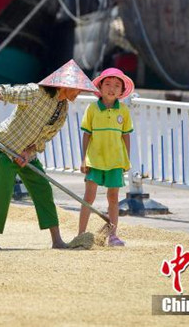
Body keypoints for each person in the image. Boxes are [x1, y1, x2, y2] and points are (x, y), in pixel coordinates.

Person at [0, 60, 99, 250]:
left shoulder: (62, 109)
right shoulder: (35, 92)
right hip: (5, 148)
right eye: (77, 89)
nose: (79, 93)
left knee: (43, 189)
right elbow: (1, 93)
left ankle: (57, 241)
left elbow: (45, 137)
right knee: (3, 192)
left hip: (26, 155)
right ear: (64, 85)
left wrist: (28, 152)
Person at [77, 67, 135, 247]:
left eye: (117, 85)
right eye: (108, 84)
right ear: (100, 87)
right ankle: (81, 234)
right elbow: (86, 134)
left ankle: (113, 235)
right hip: (94, 159)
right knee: (89, 197)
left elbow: (126, 135)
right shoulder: (92, 108)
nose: (112, 88)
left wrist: (127, 159)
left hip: (115, 160)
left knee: (113, 198)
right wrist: (83, 159)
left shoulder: (123, 110)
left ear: (122, 90)